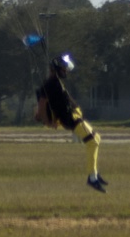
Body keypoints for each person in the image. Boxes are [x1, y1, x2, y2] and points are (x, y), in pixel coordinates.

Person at [35, 54, 107, 193]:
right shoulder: (51, 83)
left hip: (72, 116)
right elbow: (42, 103)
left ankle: (94, 174)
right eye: (63, 69)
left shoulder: (55, 82)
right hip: (69, 118)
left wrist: (44, 117)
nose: (66, 71)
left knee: (96, 138)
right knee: (92, 142)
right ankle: (92, 179)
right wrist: (47, 121)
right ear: (57, 69)